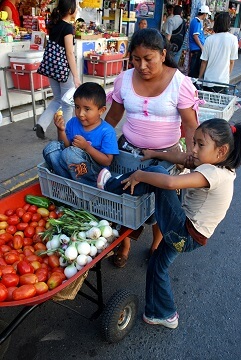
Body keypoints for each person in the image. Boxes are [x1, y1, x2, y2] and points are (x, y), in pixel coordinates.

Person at [97, 118, 241, 328]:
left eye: (200, 145)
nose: (193, 149)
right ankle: (163, 314)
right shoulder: (217, 165)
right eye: (194, 142)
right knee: (157, 265)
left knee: (157, 175)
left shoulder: (213, 173)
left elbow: (171, 182)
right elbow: (181, 157)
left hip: (184, 231)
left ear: (221, 151)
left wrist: (140, 174)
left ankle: (110, 185)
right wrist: (155, 154)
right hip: (191, 236)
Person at [104, 28, 199, 268]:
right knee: (125, 198)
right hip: (128, 151)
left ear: (163, 54)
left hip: (165, 157)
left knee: (159, 204)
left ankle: (156, 243)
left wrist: (191, 155)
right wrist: (96, 140)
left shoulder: (179, 83)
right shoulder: (124, 80)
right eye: (136, 59)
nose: (142, 65)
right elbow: (113, 118)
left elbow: (190, 125)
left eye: (149, 59)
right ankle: (124, 244)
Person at [42, 82, 119, 187]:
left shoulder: (107, 131)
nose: (80, 113)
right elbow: (65, 146)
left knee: (69, 153)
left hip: (94, 171)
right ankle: (68, 183)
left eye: (87, 109)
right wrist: (61, 130)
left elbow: (107, 161)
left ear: (101, 110)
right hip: (72, 165)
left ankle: (92, 184)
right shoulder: (73, 123)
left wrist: (87, 147)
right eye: (77, 107)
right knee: (51, 148)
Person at [36, 0, 81, 140]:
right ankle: (66, 134)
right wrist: (76, 76)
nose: (77, 9)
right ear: (70, 10)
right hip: (64, 71)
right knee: (67, 103)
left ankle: (42, 123)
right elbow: (69, 53)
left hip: (52, 69)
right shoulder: (68, 28)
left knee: (57, 99)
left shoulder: (54, 25)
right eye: (76, 7)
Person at [199, 12, 238, 93]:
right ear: (228, 23)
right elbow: (231, 62)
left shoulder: (209, 39)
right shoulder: (233, 39)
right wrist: (227, 76)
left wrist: (199, 78)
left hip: (208, 81)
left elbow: (204, 62)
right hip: (222, 82)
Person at [188, 5, 211, 78]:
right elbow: (195, 36)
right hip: (196, 49)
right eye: (207, 14)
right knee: (194, 70)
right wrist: (202, 47)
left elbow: (199, 34)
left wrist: (205, 28)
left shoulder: (197, 22)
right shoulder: (196, 22)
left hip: (197, 49)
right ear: (204, 14)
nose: (206, 16)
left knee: (195, 68)